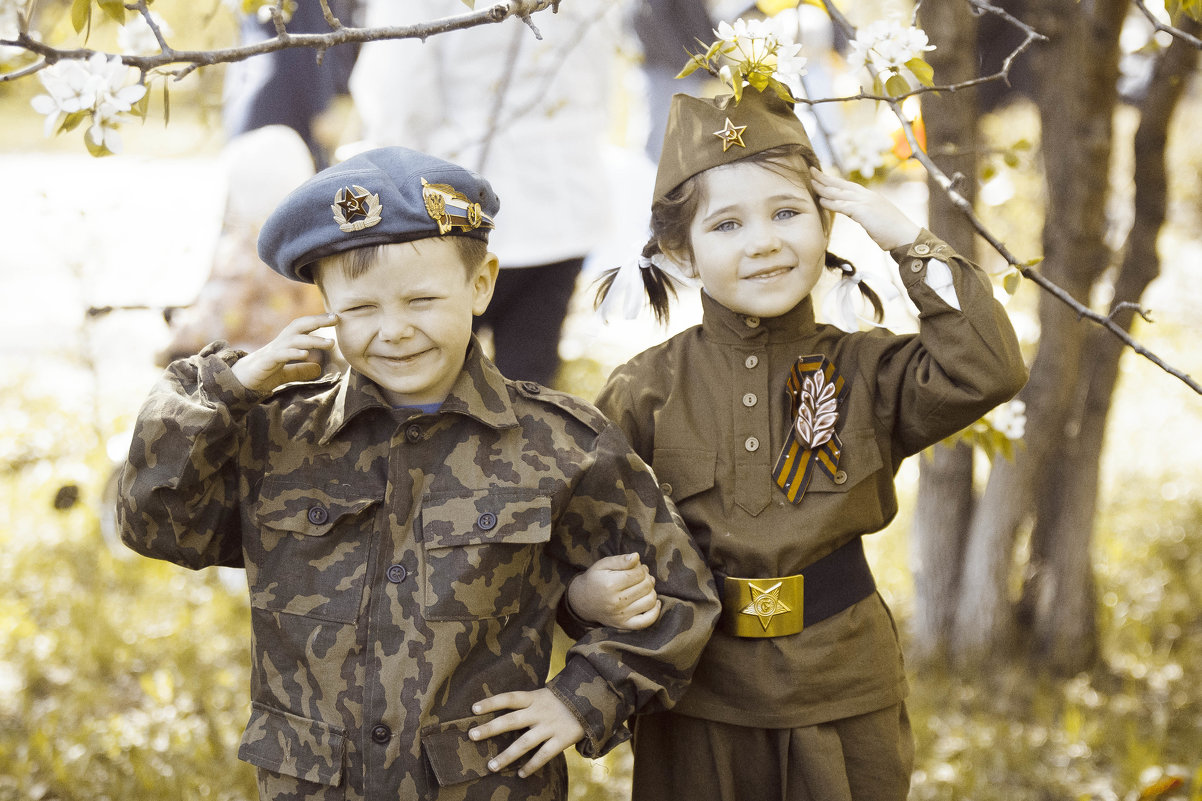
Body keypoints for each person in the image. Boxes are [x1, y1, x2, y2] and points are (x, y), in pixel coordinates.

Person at [117, 146, 719, 800]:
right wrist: (227, 385)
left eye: (422, 299)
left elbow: (680, 592)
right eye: (362, 309)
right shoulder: (280, 437)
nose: (396, 330)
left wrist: (580, 697)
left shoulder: (556, 443)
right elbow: (155, 521)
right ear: (322, 304)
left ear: (482, 283)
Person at [593, 86, 1028, 801]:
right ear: (682, 251)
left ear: (828, 220)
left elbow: (988, 366)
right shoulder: (644, 390)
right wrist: (589, 594)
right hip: (699, 697)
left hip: (843, 689)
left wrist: (903, 236)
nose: (764, 241)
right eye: (727, 224)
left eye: (788, 212)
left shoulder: (868, 369)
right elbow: (589, 540)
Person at [347, 0, 624, 386]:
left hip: (457, 202)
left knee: (437, 378)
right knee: (529, 384)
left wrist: (401, 180)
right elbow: (599, 78)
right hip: (563, 193)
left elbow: (398, 92)